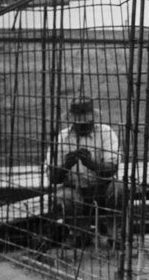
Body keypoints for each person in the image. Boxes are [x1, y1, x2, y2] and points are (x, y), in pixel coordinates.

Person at [48, 98, 123, 246]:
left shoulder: (106, 133)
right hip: (75, 189)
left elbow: (112, 167)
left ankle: (115, 233)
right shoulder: (61, 138)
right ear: (73, 121)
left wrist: (92, 164)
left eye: (87, 122)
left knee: (120, 189)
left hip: (103, 188)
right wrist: (65, 166)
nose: (84, 126)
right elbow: (52, 177)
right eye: (80, 123)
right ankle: (80, 233)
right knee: (65, 196)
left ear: (93, 119)